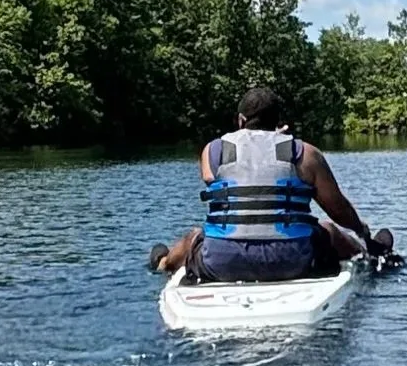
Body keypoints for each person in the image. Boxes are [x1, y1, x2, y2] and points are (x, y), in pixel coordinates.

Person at [148, 85, 392, 281]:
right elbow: (338, 209)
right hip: (291, 261)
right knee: (327, 229)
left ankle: (163, 262)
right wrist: (360, 228)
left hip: (222, 262)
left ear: (241, 120)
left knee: (195, 237)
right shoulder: (304, 153)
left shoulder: (213, 152)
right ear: (278, 121)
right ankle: (370, 251)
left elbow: (221, 178)